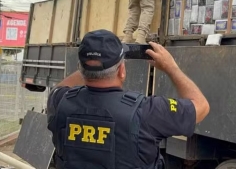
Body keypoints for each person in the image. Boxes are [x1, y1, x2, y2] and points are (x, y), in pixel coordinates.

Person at [46, 29, 210, 169]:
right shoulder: (147, 112)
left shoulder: (60, 102)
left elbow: (58, 89)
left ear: (80, 68)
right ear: (122, 71)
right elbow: (201, 107)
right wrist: (171, 67)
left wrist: (89, 68)